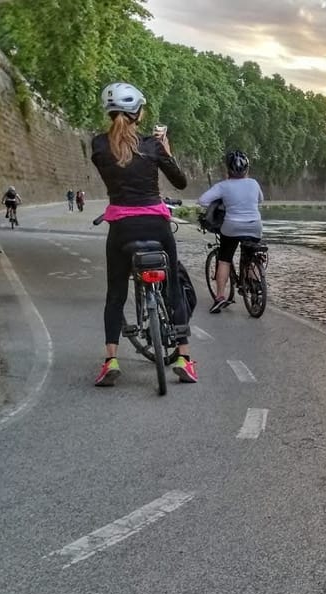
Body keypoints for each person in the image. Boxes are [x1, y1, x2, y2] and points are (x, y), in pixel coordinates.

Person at [90, 82, 196, 386]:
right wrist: (166, 149)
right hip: (156, 226)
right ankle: (184, 359)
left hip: (122, 229)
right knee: (173, 285)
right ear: (138, 112)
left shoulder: (98, 145)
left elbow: (117, 166)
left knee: (115, 294)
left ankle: (111, 359)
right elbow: (180, 183)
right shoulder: (152, 145)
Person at [197, 150, 264, 313]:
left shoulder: (223, 186)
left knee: (224, 260)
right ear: (247, 169)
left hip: (231, 227)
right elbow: (260, 200)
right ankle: (255, 291)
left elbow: (202, 201)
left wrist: (222, 202)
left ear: (227, 169)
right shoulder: (254, 184)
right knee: (250, 254)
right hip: (254, 225)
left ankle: (220, 297)